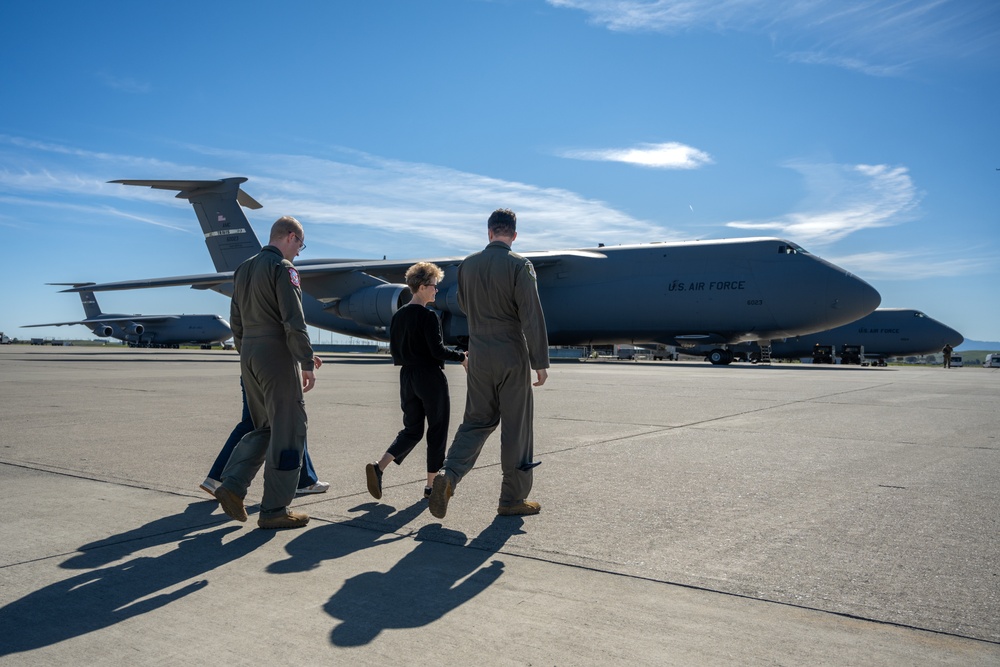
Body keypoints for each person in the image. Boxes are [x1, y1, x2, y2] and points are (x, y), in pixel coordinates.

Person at [428, 208, 549, 519]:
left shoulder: (467, 266)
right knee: (516, 428)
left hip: (478, 353)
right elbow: (531, 316)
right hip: (510, 352)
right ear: (514, 234)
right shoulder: (520, 266)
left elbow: (465, 306)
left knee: (476, 421)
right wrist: (540, 361)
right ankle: (512, 498)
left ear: (489, 232)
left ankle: (449, 476)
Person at [213, 216, 316, 530]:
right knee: (290, 429)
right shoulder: (282, 269)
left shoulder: (243, 268)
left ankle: (231, 484)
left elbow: (236, 322)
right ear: (289, 236)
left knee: (267, 426)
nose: (299, 251)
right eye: (300, 244)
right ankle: (274, 509)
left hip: (250, 355)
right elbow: (293, 320)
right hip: (276, 354)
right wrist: (306, 362)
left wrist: (248, 355)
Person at [366, 262, 468, 501]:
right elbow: (437, 350)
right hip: (429, 377)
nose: (436, 291)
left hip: (407, 377)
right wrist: (462, 357)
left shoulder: (398, 316)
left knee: (412, 430)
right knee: (437, 430)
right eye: (433, 286)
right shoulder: (429, 316)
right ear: (422, 287)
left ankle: (379, 467)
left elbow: (395, 351)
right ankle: (431, 487)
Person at [199, 370, 329, 498]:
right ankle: (303, 481)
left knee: (251, 423)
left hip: (250, 370)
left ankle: (217, 479)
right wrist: (306, 360)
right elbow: (293, 347)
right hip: (275, 372)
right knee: (292, 423)